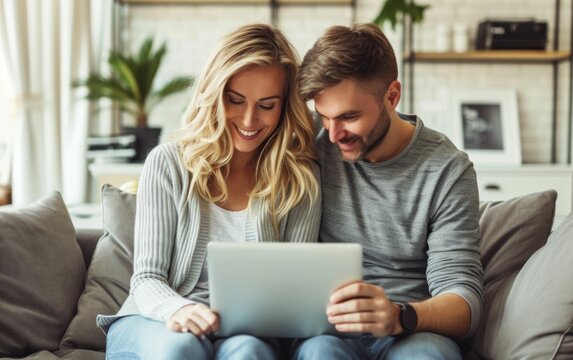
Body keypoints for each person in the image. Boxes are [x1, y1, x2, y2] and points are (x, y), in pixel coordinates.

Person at [97, 23, 321, 360]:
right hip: (157, 320)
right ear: (214, 93)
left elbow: (292, 293)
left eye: (267, 105)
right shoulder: (168, 163)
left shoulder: (299, 180)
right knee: (183, 347)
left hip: (244, 331)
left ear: (284, 106)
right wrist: (179, 309)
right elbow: (146, 279)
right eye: (235, 100)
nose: (249, 119)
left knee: (250, 352)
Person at [292, 23, 484, 359]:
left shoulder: (447, 170)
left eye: (349, 117)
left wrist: (400, 316)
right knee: (319, 353)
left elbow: (464, 299)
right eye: (324, 116)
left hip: (412, 329)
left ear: (392, 96)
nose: (334, 134)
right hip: (329, 329)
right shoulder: (313, 142)